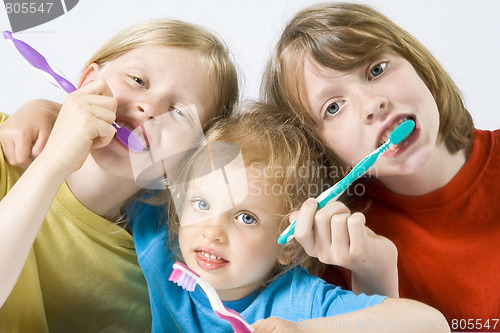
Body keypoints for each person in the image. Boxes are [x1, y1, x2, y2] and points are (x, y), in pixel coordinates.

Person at [262, 2, 500, 330]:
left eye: (376, 70)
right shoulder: (338, 253)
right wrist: (372, 280)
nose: (372, 104)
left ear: (416, 62)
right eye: (333, 107)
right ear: (319, 147)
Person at [0, 18, 238, 332]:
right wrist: (53, 161)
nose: (149, 108)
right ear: (88, 82)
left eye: (179, 112)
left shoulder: (160, 274)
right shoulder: (7, 146)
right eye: (138, 80)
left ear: (189, 158)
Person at [129, 102, 448, 332]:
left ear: (289, 246)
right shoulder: (160, 246)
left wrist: (304, 331)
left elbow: (428, 324)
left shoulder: (301, 302)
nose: (213, 231)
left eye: (246, 217)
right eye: (201, 204)